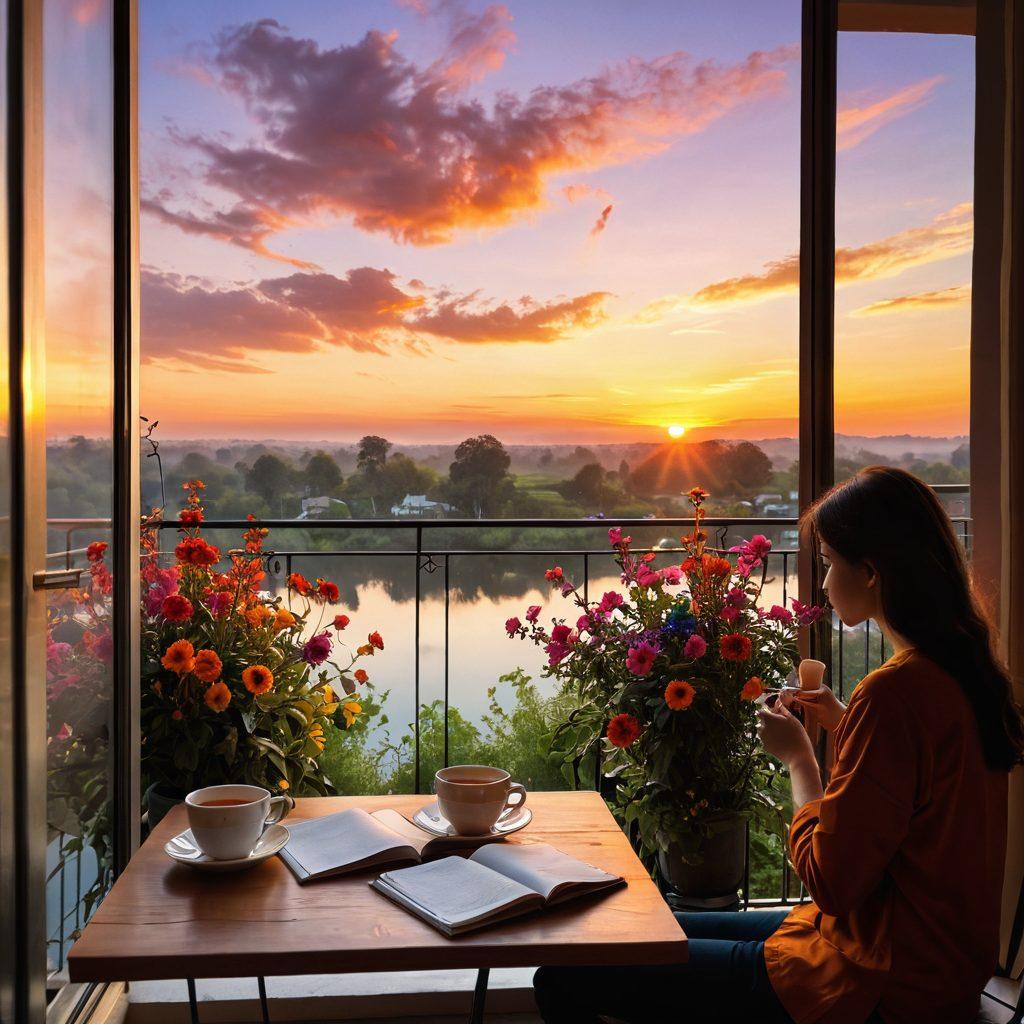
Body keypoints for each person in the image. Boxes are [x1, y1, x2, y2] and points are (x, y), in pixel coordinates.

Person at [533, 466, 1023, 1024]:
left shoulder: (893, 694)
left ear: (871, 572)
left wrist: (798, 758)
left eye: (830, 563)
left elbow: (831, 882)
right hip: (930, 961)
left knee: (564, 974)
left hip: (877, 981)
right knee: (631, 928)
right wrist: (842, 721)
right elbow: (922, 794)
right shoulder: (957, 669)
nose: (823, 584)